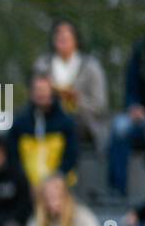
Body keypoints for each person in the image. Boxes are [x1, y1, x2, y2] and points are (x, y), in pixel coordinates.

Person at [108, 0, 145, 197]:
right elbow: (131, 87)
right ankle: (115, 191)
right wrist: (134, 106)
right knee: (120, 128)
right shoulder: (141, 50)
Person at [34, 19, 109, 154]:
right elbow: (33, 98)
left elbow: (100, 105)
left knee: (68, 125)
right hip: (47, 119)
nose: (62, 38)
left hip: (83, 123)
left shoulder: (91, 67)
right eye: (58, 35)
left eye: (66, 36)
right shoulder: (42, 66)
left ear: (76, 40)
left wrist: (76, 99)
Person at [9, 70, 79, 192]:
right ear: (31, 93)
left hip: (60, 189)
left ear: (52, 92)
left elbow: (71, 157)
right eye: (37, 90)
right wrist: (23, 179)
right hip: (26, 188)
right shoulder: (20, 123)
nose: (41, 94)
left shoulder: (66, 123)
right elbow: (13, 156)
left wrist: (56, 180)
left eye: (44, 90)